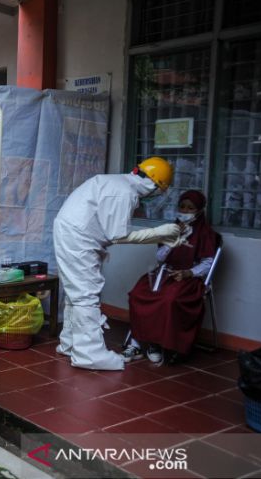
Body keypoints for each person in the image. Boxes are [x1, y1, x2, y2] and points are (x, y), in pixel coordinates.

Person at [53, 157, 184, 371]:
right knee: (86, 293)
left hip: (73, 233)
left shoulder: (115, 182)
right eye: (159, 191)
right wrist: (161, 233)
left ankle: (71, 343)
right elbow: (118, 235)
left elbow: (105, 228)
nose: (155, 197)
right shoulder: (125, 193)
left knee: (75, 292)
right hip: (78, 238)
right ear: (153, 183)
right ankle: (89, 354)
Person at [123, 190, 218, 364]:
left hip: (188, 277)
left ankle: (155, 344)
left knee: (168, 300)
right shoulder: (170, 229)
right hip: (164, 273)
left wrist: (189, 272)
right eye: (182, 206)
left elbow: (208, 263)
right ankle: (136, 342)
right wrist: (172, 239)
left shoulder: (206, 234)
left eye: (190, 208)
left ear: (199, 211)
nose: (185, 211)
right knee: (138, 293)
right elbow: (159, 257)